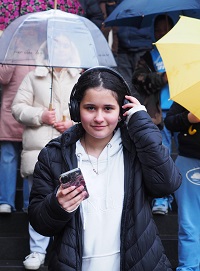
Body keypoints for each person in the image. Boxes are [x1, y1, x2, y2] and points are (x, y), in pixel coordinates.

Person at [27, 66, 181, 271]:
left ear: (122, 111)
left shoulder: (136, 149)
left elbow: (167, 184)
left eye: (108, 108)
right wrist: (57, 206)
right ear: (76, 108)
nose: (99, 117)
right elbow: (40, 223)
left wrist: (143, 125)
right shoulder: (53, 155)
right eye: (90, 108)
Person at [12, 64, 81, 270]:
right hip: (39, 146)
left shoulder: (79, 78)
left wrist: (72, 124)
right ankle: (37, 250)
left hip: (70, 146)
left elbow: (88, 107)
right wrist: (40, 115)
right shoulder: (33, 76)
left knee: (73, 197)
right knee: (39, 199)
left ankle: (69, 248)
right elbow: (17, 108)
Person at [132, 14, 177, 215]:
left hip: (185, 113)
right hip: (158, 116)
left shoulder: (184, 54)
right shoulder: (148, 57)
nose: (161, 33)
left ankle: (180, 196)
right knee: (162, 155)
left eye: (165, 29)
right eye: (158, 30)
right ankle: (161, 199)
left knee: (184, 158)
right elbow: (139, 79)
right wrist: (163, 77)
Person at [165, 102, 200, 271]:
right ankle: (189, 267)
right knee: (189, 222)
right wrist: (189, 118)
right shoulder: (192, 92)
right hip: (190, 161)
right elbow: (170, 121)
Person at [0, 64, 34, 213]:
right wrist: (11, 60)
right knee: (8, 157)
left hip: (33, 114)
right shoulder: (10, 49)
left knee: (32, 157)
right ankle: (5, 201)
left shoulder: (42, 49)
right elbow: (3, 78)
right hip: (10, 112)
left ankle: (29, 202)